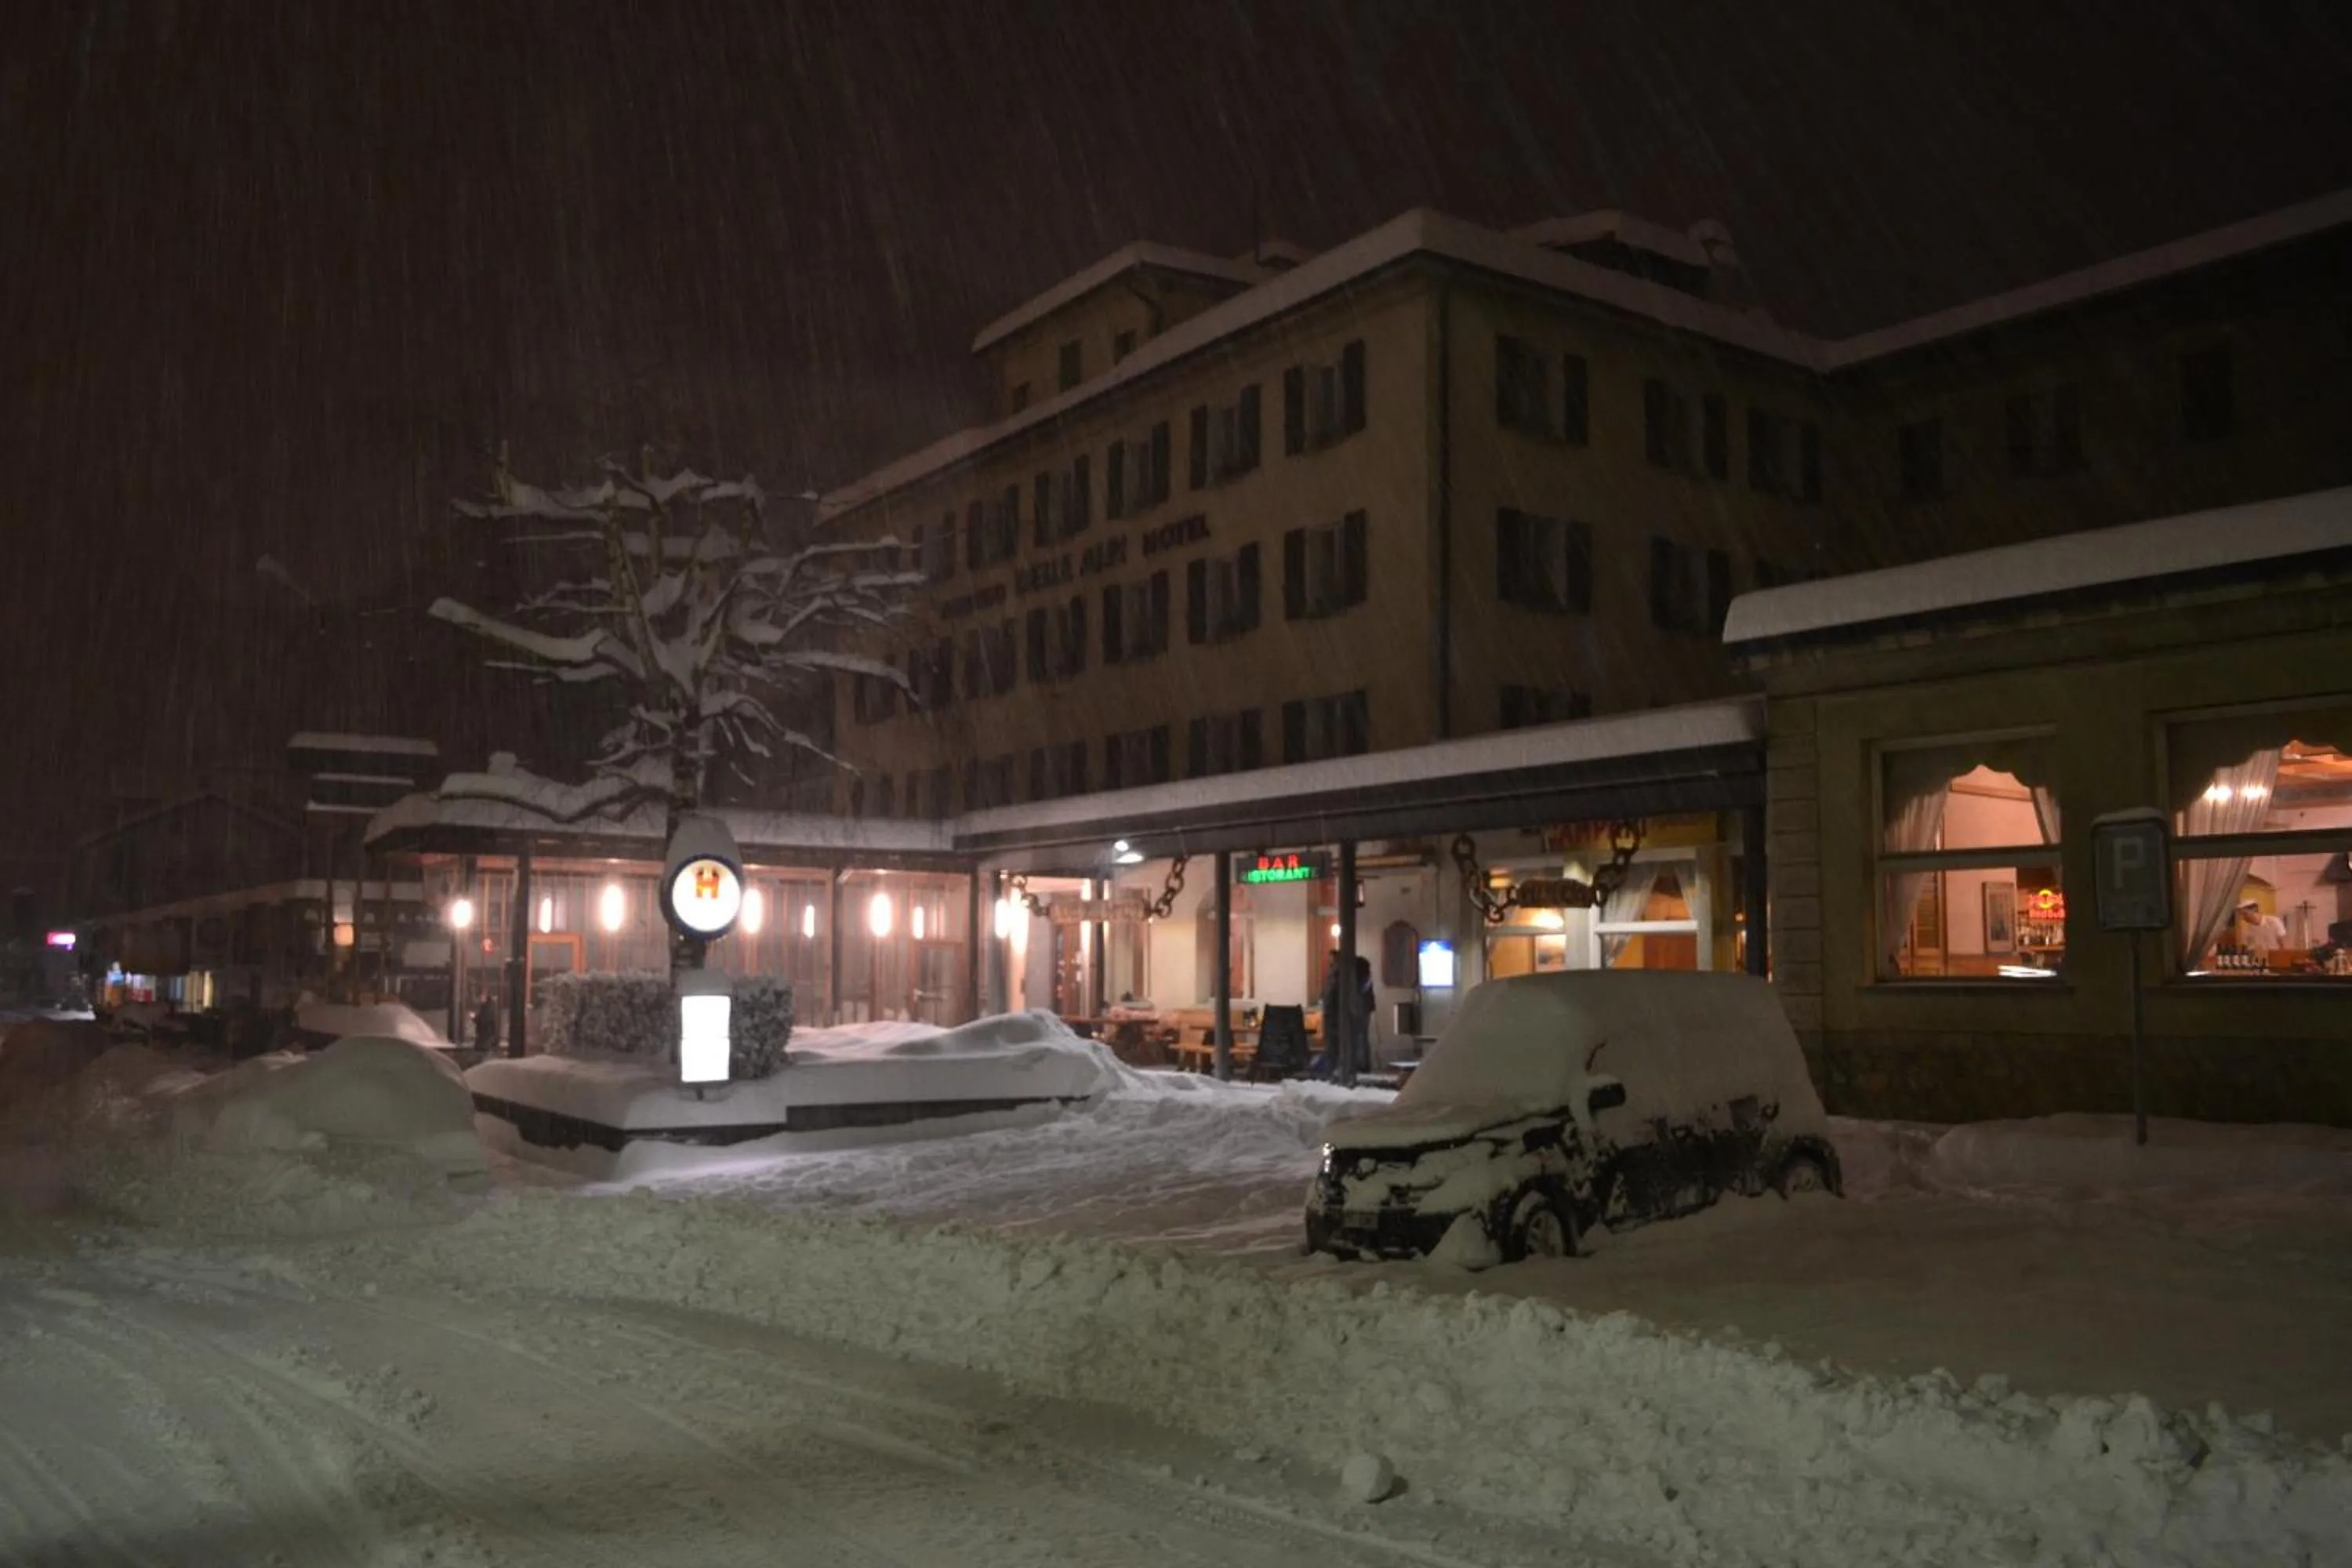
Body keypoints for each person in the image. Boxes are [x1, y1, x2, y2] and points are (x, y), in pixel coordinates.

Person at [472, 991, 501, 1055]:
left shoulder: (487, 1008)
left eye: (481, 997)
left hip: (486, 1038)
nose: (480, 999)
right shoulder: (489, 1007)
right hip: (486, 1038)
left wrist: (475, 1018)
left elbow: (484, 1021)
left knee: (484, 1055)